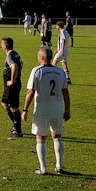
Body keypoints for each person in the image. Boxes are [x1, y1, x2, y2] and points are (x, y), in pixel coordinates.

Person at [22, 47, 70, 175]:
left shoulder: (36, 71)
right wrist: (68, 109)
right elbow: (65, 92)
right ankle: (59, 166)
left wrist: (25, 109)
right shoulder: (60, 72)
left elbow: (30, 91)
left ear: (41, 58)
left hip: (42, 109)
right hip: (57, 108)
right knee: (57, 137)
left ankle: (43, 168)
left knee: (41, 138)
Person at [0, 37, 23, 139]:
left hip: (12, 86)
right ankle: (15, 125)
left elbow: (15, 67)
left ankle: (18, 131)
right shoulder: (16, 54)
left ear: (5, 45)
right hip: (11, 86)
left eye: (2, 44)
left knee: (14, 107)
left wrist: (12, 80)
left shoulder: (10, 56)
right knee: (4, 103)